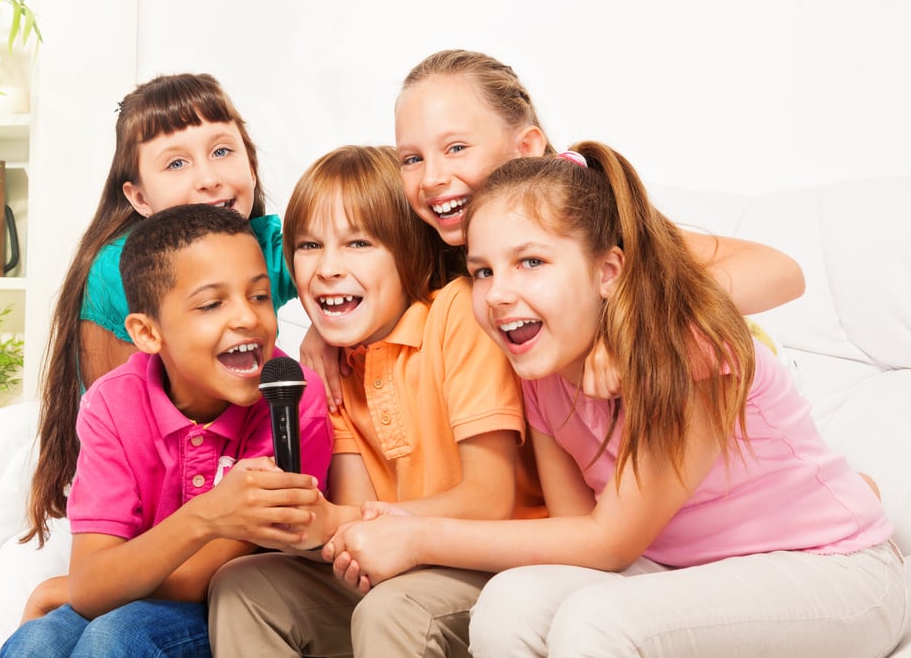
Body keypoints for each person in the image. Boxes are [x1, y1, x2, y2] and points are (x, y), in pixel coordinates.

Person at [322, 143, 906, 658]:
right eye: (481, 271)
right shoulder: (539, 375)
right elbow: (578, 533)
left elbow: (611, 540)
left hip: (834, 570)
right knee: (509, 604)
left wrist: (421, 536)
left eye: (531, 262)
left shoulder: (692, 348)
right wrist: (393, 520)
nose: (499, 293)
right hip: (685, 572)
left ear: (607, 272)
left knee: (598, 621)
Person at [302, 50, 806, 407]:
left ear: (525, 148)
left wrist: (635, 321)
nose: (432, 177)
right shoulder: (438, 245)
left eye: (456, 148)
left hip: (733, 385)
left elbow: (782, 271)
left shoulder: (585, 217)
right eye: (411, 158)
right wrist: (329, 333)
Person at [208, 145, 534, 657]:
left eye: (358, 243)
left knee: (391, 608)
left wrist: (337, 523)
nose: (328, 268)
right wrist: (305, 521)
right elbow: (357, 514)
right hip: (402, 568)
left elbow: (489, 500)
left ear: (409, 250)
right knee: (242, 587)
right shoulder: (329, 366)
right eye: (310, 245)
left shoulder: (457, 315)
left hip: (494, 567)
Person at [0, 203, 332, 658]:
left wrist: (76, 589)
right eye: (212, 304)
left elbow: (200, 578)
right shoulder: (112, 404)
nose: (248, 318)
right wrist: (208, 515)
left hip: (235, 604)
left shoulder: (289, 396)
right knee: (36, 640)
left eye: (259, 296)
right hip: (139, 597)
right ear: (148, 333)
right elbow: (93, 583)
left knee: (119, 636)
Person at [25, 72, 295, 550]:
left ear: (250, 163)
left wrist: (331, 339)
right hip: (144, 505)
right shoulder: (120, 269)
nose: (208, 177)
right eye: (176, 163)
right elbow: (147, 443)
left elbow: (358, 270)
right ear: (140, 197)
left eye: (222, 151)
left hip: (216, 485)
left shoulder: (267, 243)